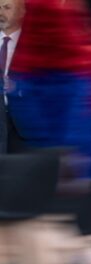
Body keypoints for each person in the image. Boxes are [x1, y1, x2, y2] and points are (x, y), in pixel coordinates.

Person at [0, 0, 24, 153]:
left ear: (22, 12)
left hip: (23, 128)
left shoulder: (34, 43)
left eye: (7, 8)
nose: (0, 13)